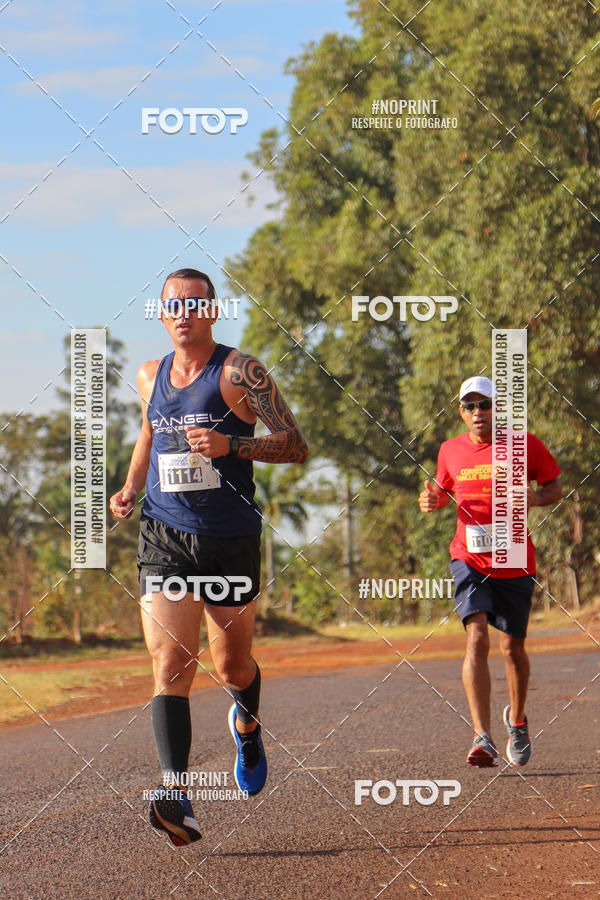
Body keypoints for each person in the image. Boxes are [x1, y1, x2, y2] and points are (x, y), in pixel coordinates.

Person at [110, 268, 308, 845]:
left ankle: (246, 725)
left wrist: (232, 445)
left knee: (231, 667)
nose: (183, 313)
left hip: (229, 538)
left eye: (194, 304)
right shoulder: (149, 375)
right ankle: (176, 794)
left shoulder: (241, 372)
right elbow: (149, 432)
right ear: (161, 313)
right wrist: (130, 486)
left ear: (214, 311)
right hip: (165, 534)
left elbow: (295, 445)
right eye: (172, 305)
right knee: (171, 663)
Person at [418, 376, 561, 768]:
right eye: (470, 406)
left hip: (514, 558)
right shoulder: (449, 450)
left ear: (498, 409)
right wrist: (430, 502)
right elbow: (441, 493)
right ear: (461, 412)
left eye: (485, 404)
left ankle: (518, 720)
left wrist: (535, 497)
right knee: (476, 637)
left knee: (512, 648)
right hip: (468, 558)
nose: (478, 412)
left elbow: (555, 488)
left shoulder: (525, 445)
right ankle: (482, 736)